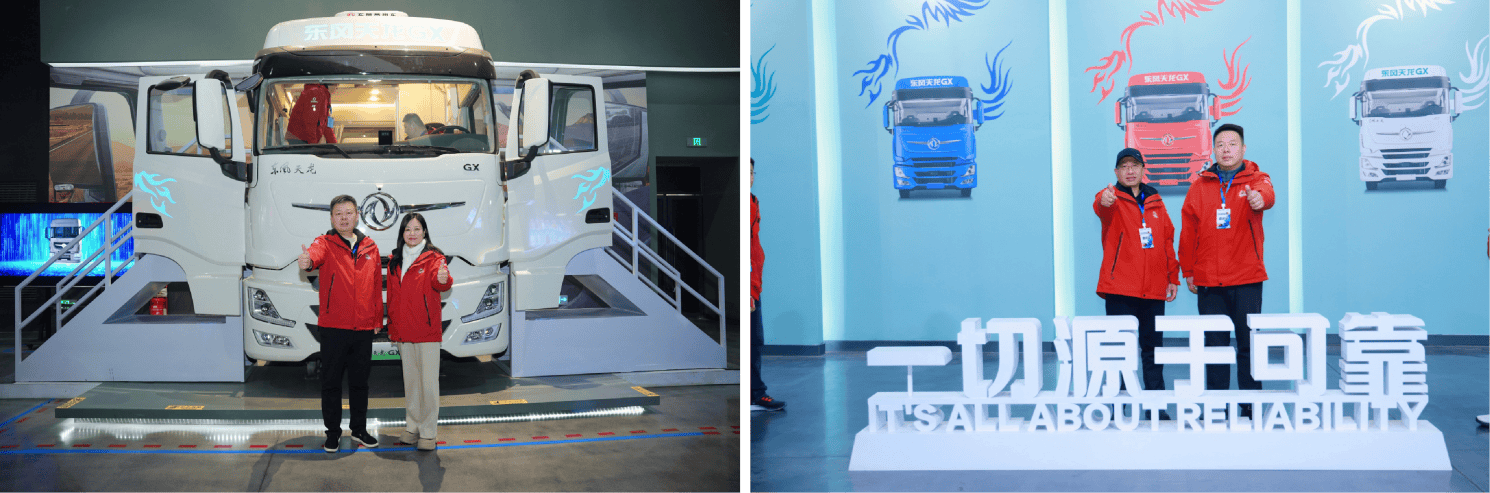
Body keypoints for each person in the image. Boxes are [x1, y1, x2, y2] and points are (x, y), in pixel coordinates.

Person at [1178, 123, 1273, 418]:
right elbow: (1188, 232)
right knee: (1214, 347)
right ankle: (1216, 405)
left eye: (1232, 144)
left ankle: (1251, 405)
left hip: (1247, 279)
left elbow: (1267, 194)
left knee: (1249, 345)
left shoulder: (1256, 179)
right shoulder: (1199, 186)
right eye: (1220, 145)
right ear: (1213, 151)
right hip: (1209, 280)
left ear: (1243, 149)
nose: (1226, 150)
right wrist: (1188, 270)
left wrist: (1259, 199)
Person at [1095, 148, 1179, 420]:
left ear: (1143, 170)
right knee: (1119, 351)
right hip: (1120, 289)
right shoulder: (1111, 198)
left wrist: (1172, 277)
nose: (1130, 170)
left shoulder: (1156, 201)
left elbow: (1167, 240)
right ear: (1117, 172)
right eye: (1124, 166)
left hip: (1153, 289)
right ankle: (1118, 408)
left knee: (1153, 350)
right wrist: (1104, 199)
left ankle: (1156, 407)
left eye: (1135, 165)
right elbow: (1101, 206)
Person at [298, 194, 382, 453]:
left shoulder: (370, 247)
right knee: (331, 383)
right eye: (338, 214)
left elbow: (375, 287)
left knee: (360, 384)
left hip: (363, 328)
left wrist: (377, 319)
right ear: (332, 218)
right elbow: (314, 255)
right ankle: (332, 433)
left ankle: (359, 429)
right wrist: (307, 261)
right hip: (334, 327)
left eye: (348, 213)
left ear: (357, 215)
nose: (344, 218)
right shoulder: (325, 243)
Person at [386, 212, 452, 451]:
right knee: (411, 383)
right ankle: (413, 427)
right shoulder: (395, 260)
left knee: (428, 385)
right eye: (407, 229)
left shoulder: (435, 258)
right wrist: (392, 327)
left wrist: (444, 279)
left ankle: (428, 433)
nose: (412, 234)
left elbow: (441, 280)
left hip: (426, 331)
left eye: (416, 229)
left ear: (424, 231)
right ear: (402, 233)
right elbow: (392, 297)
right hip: (403, 332)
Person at [750, 158, 785, 412]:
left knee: (755, 340)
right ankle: (755, 394)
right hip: (749, 285)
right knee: (752, 340)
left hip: (755, 283)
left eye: (752, 173)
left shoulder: (753, 200)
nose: (750, 177)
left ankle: (754, 392)